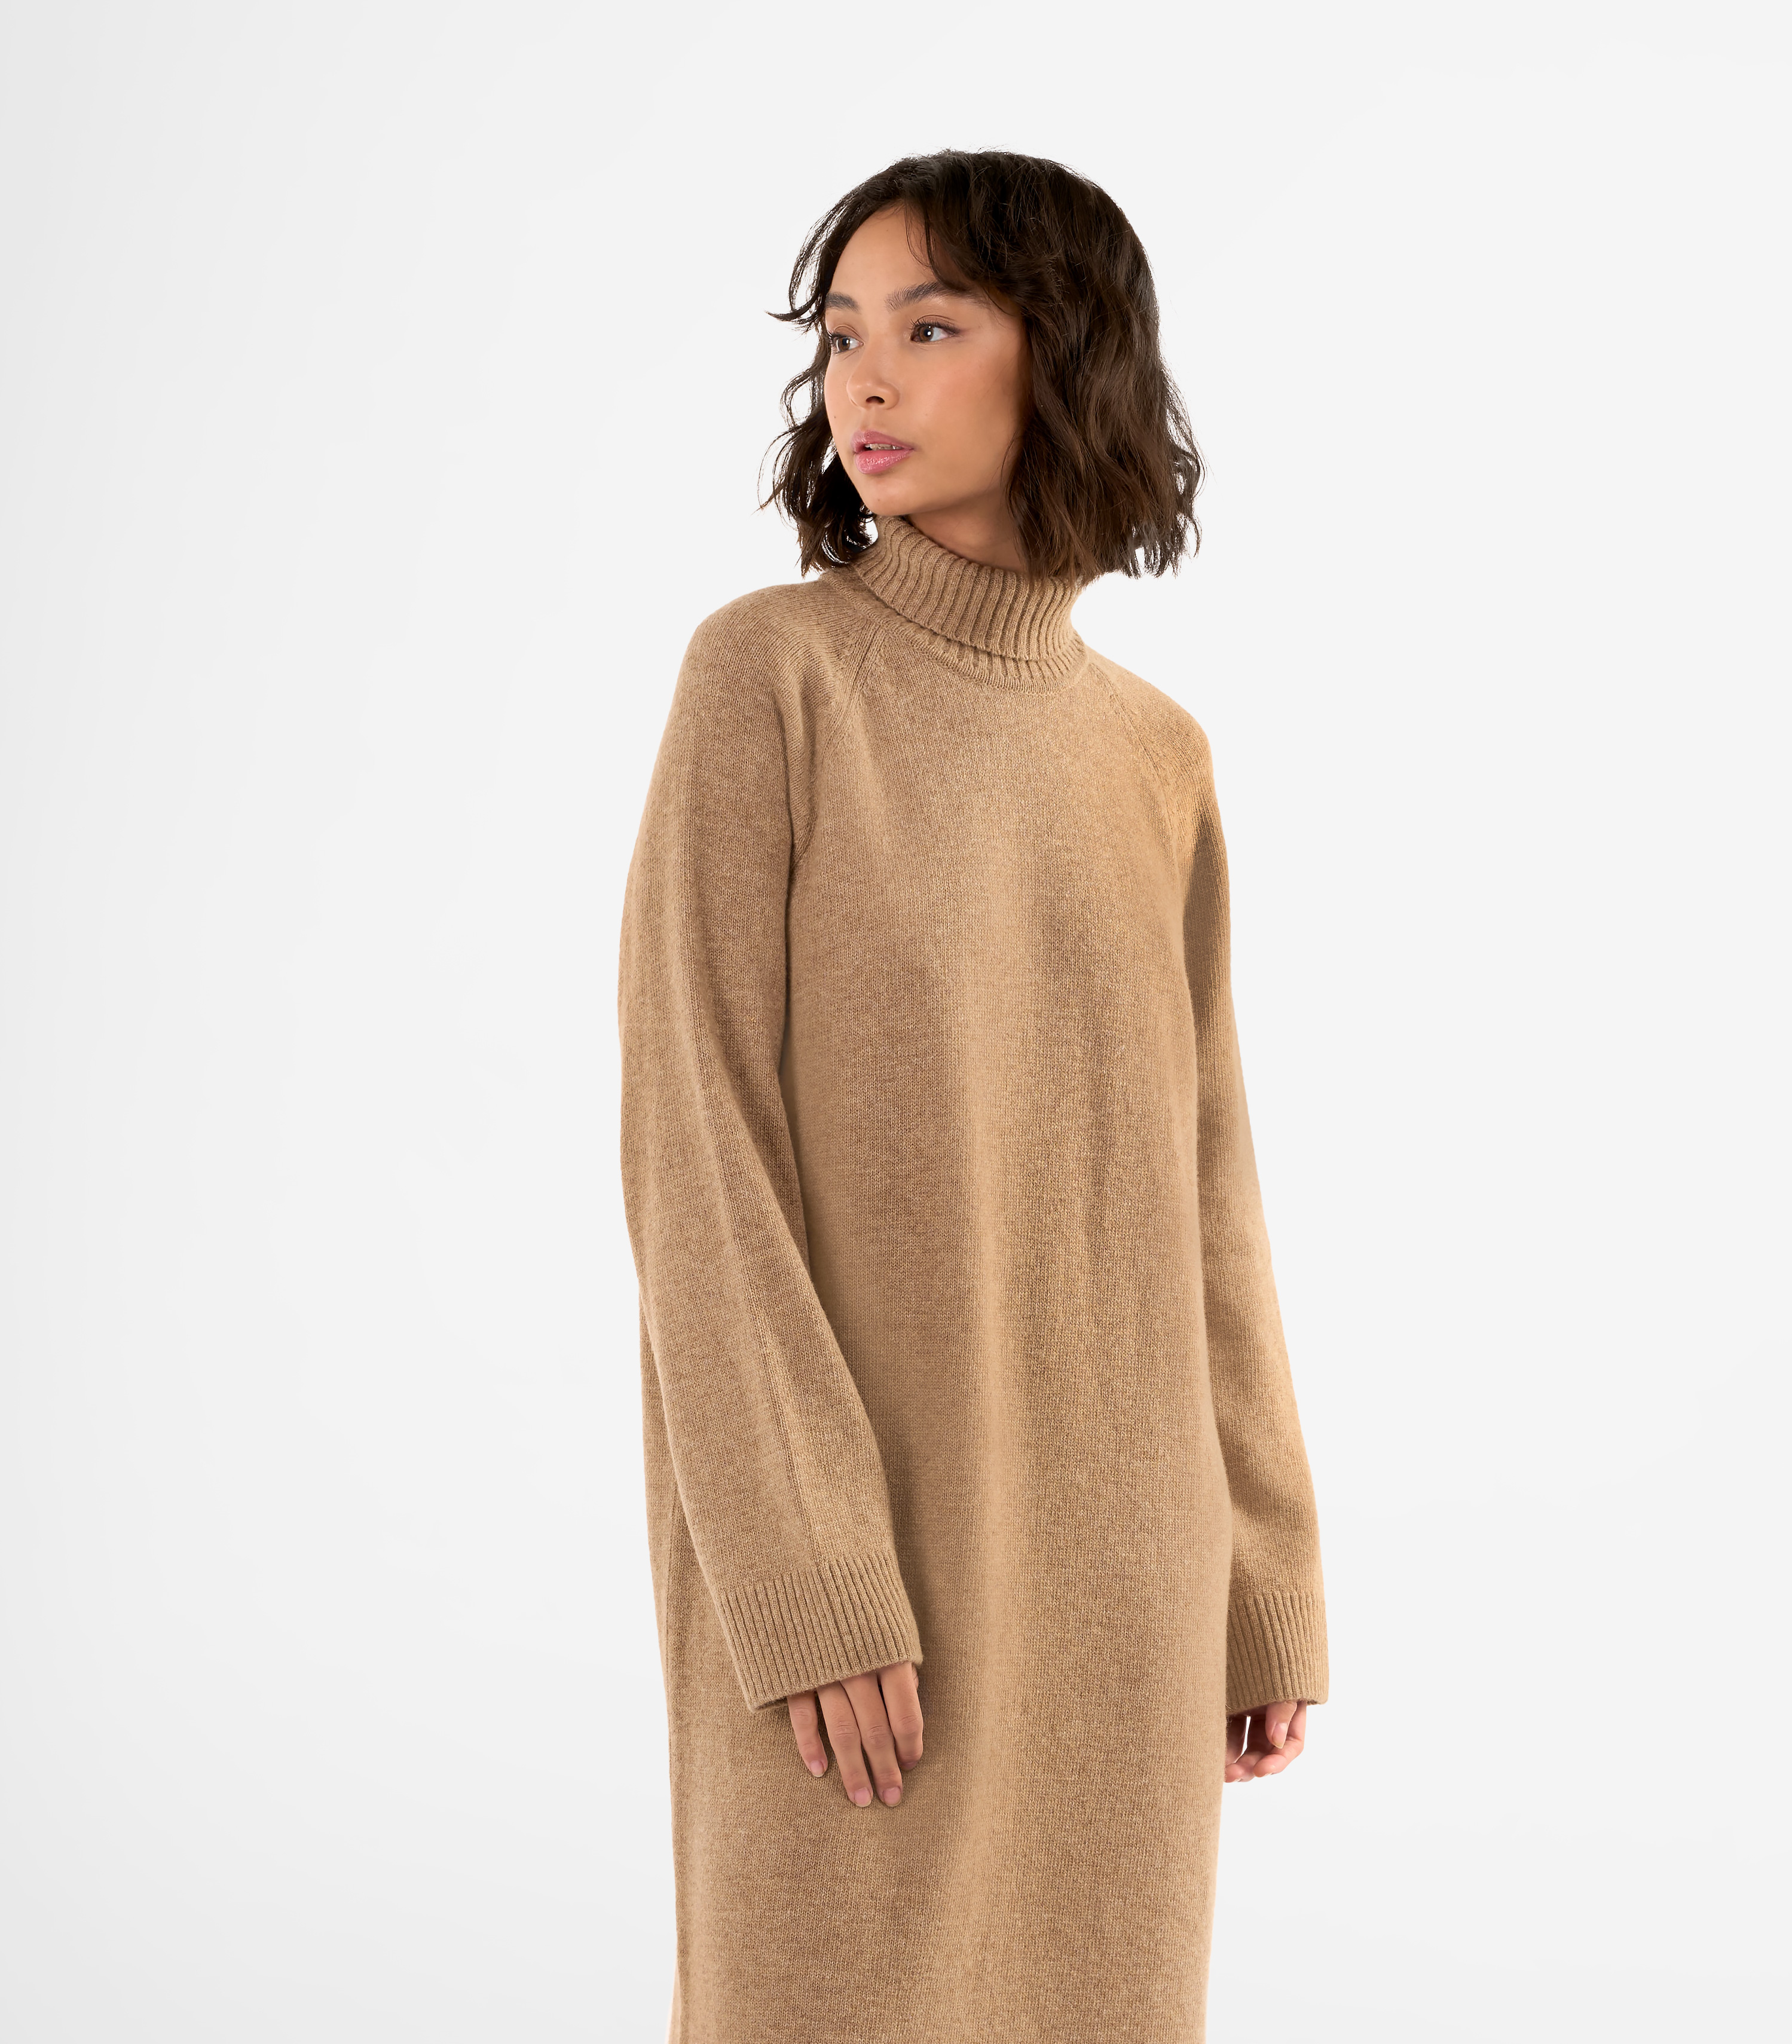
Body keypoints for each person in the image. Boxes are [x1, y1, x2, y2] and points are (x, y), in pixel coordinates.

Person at [618, 148, 1329, 2044]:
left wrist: (1262, 1565)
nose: (863, 378)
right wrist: (808, 1570)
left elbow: (1205, 1182)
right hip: (856, 1572)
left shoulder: (1153, 757)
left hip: (1123, 1566)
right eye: (842, 334)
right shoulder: (771, 681)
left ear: (1063, 355)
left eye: (927, 328)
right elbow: (695, 1148)